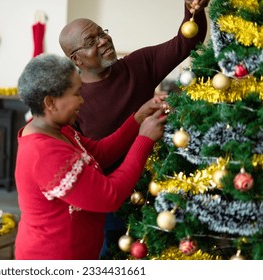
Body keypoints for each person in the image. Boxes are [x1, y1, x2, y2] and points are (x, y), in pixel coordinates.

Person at [59, 0, 210, 258]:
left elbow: (186, 42)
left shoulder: (139, 63)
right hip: (113, 200)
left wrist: (192, 9)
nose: (103, 41)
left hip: (159, 184)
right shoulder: (73, 100)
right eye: (91, 41)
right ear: (77, 58)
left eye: (102, 33)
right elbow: (84, 160)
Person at [14, 53, 168, 260]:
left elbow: (99, 154)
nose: (82, 100)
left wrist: (138, 119)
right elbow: (110, 196)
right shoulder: (44, 154)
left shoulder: (57, 129)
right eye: (77, 93)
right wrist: (144, 140)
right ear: (50, 102)